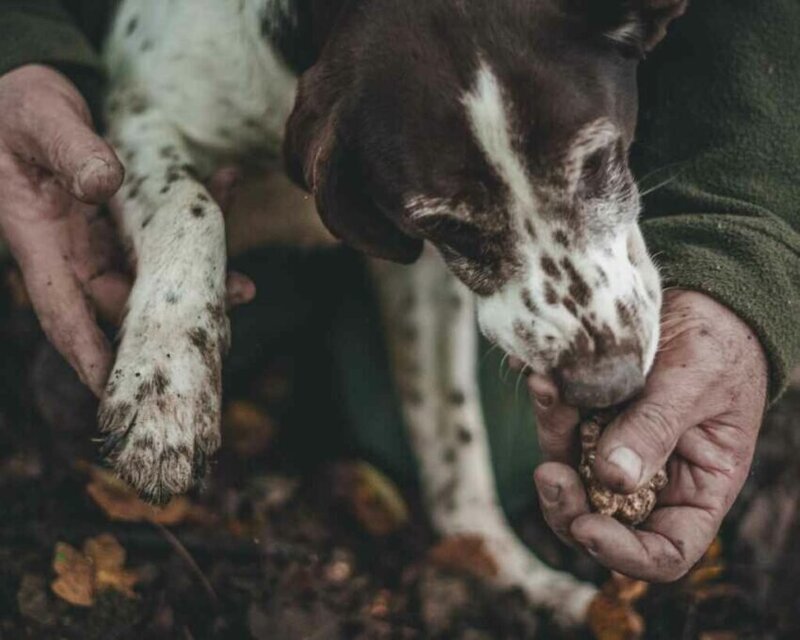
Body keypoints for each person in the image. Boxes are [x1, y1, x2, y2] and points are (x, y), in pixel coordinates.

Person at [0, 0, 797, 583]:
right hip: (268, 161)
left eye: (592, 169)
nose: (602, 342)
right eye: (461, 226)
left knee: (519, 455)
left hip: (372, 182)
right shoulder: (217, 44)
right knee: (95, 346)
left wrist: (742, 253)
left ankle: (464, 512)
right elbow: (145, 121)